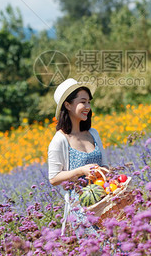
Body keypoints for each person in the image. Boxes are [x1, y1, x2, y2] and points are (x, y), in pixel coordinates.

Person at [47, 78, 108, 235]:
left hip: (104, 202)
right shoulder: (60, 139)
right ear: (68, 105)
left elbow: (105, 166)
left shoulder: (93, 133)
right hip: (81, 210)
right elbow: (53, 178)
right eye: (83, 102)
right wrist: (81, 171)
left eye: (89, 102)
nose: (87, 107)